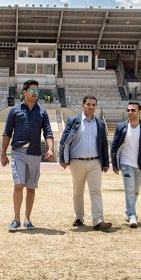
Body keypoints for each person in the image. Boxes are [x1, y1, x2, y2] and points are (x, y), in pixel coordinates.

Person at [1, 79, 54, 231]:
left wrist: (50, 149)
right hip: (18, 152)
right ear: (24, 92)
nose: (35, 93)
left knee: (31, 187)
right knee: (19, 184)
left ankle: (27, 219)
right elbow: (7, 133)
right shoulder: (14, 110)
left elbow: (48, 132)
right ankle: (16, 219)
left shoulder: (42, 112)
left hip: (35, 153)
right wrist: (3, 154)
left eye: (37, 91)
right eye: (32, 90)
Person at [59, 95, 112, 231]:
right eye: (88, 104)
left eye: (93, 105)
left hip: (95, 162)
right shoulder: (73, 121)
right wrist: (62, 158)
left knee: (96, 191)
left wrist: (106, 162)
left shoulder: (100, 124)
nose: (91, 107)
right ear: (83, 105)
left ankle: (98, 220)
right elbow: (64, 140)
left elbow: (103, 144)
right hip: (77, 162)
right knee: (78, 191)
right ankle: (79, 217)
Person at [110, 101, 141, 228]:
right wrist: (115, 164)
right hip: (126, 163)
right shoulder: (121, 127)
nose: (130, 112)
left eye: (133, 110)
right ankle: (132, 216)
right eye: (128, 110)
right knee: (129, 189)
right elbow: (114, 146)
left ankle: (128, 211)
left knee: (135, 191)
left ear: (139, 112)